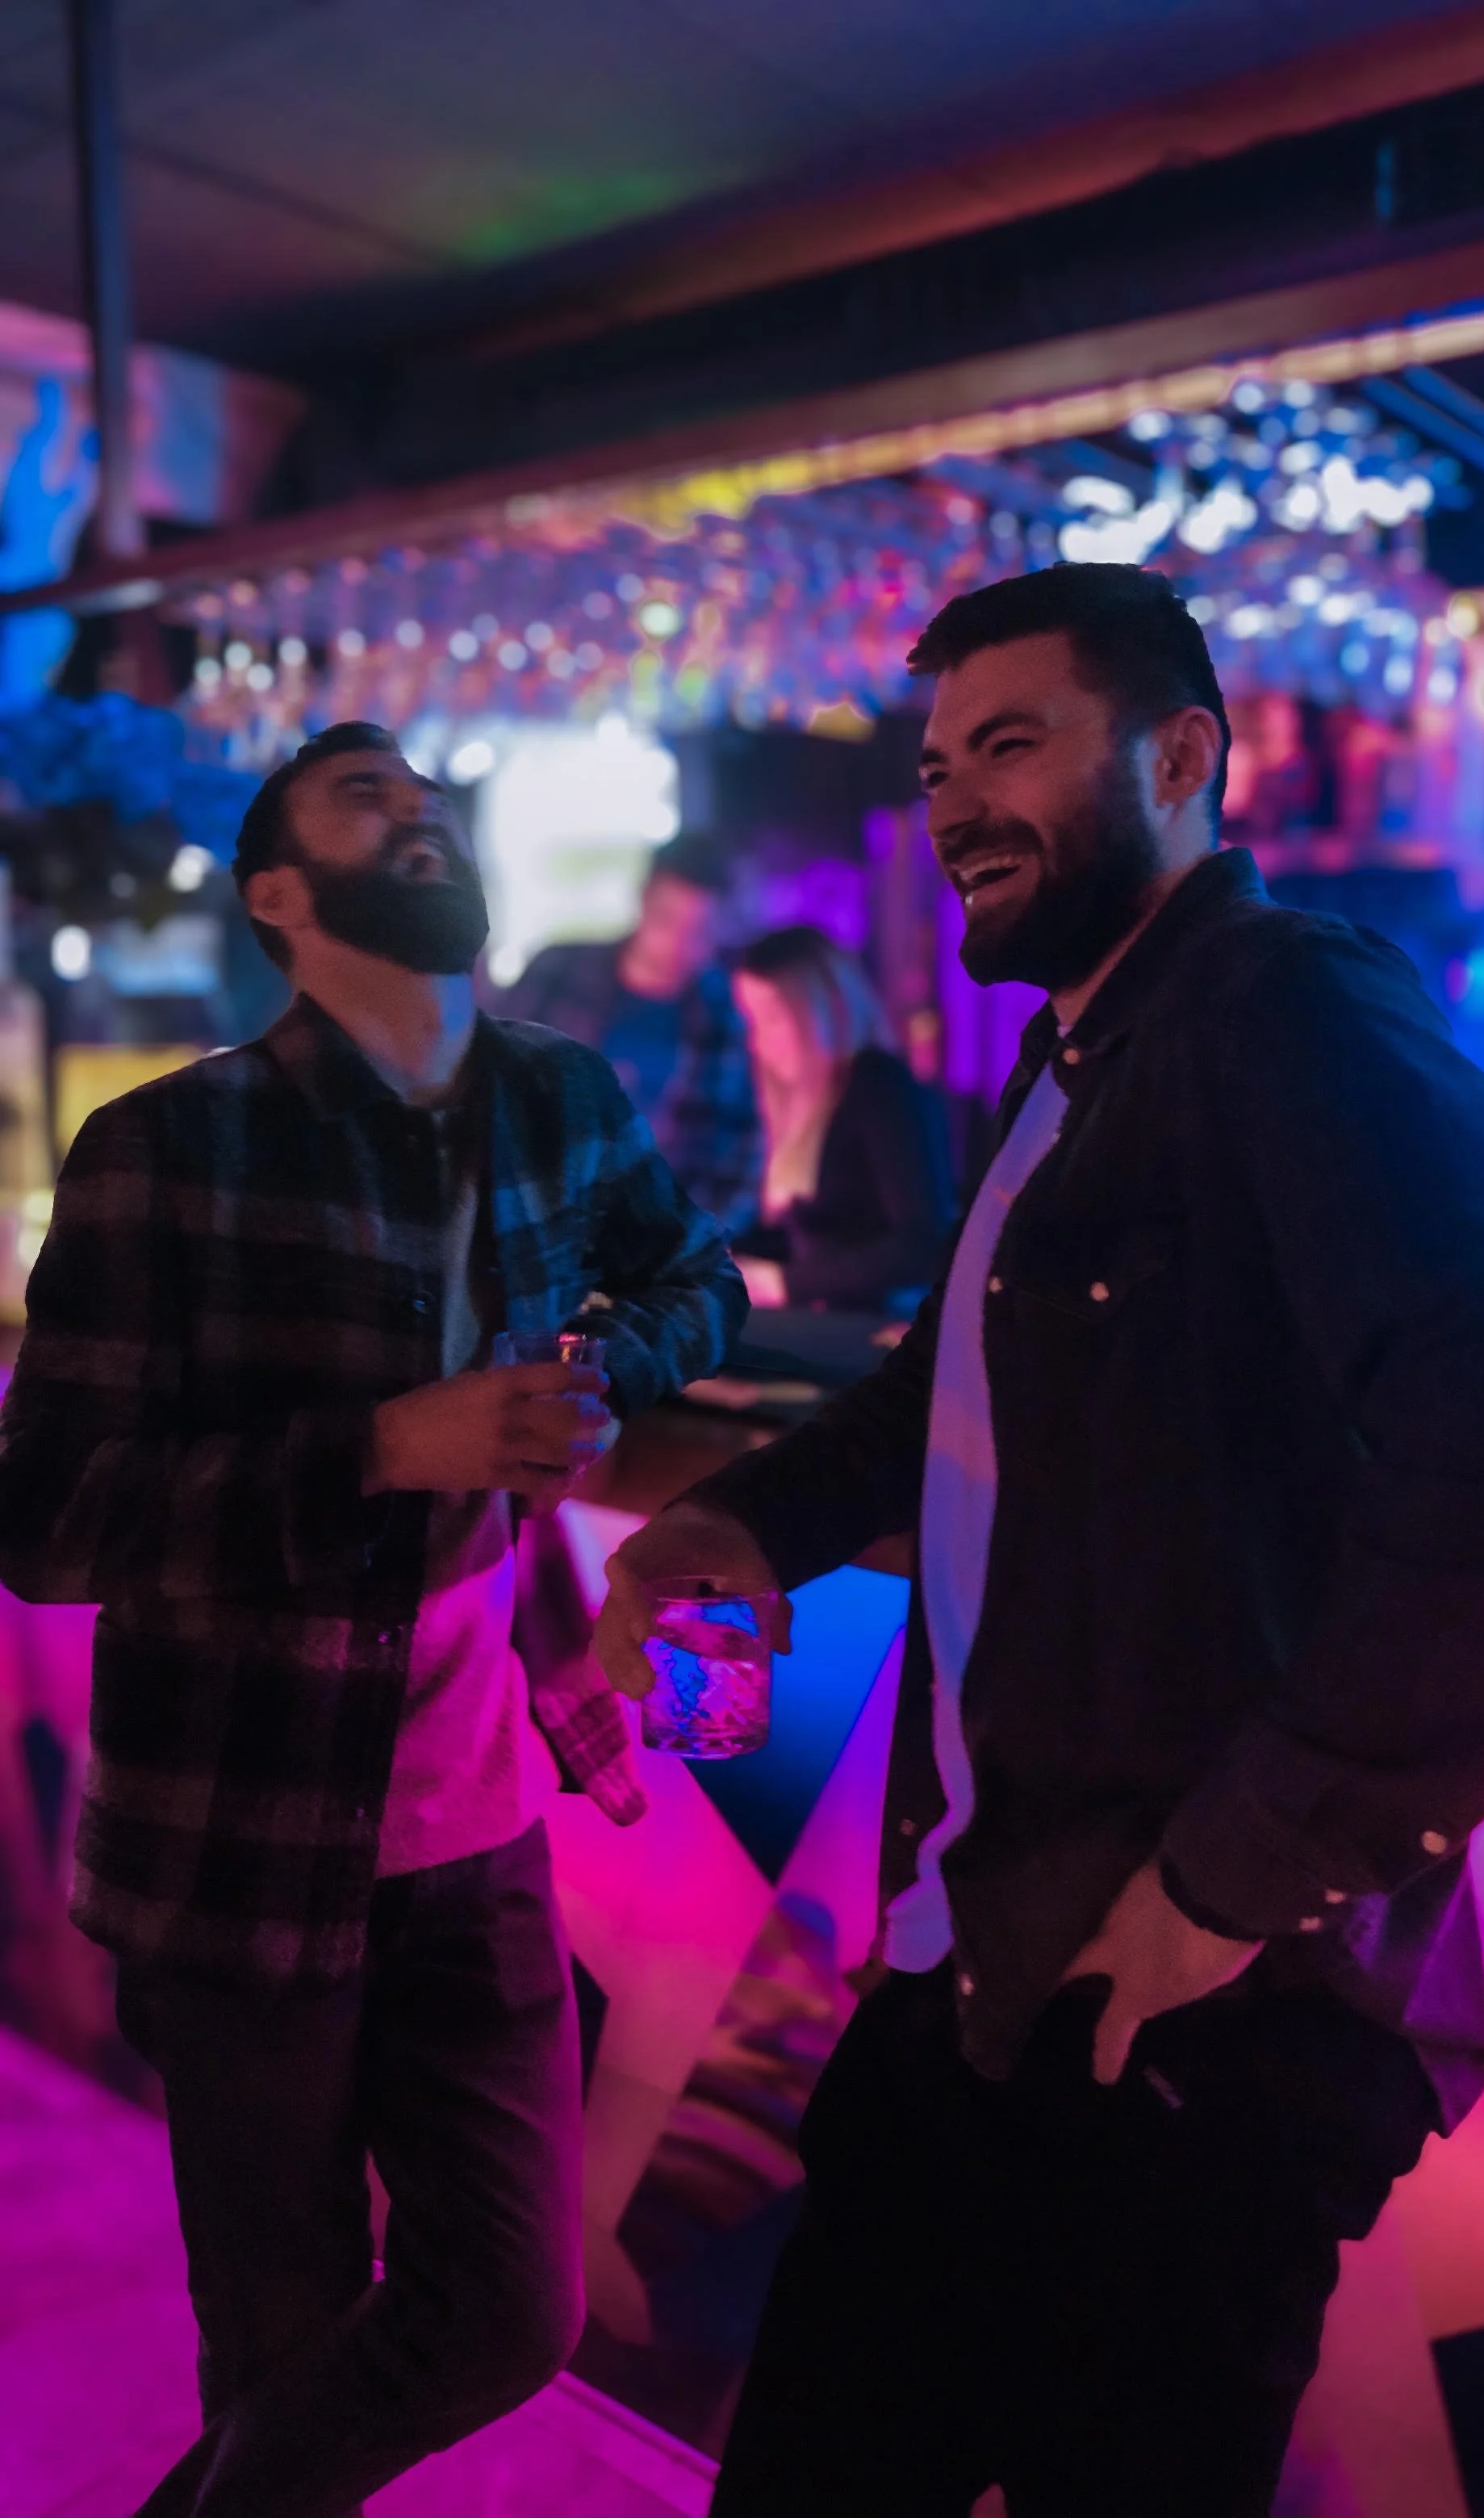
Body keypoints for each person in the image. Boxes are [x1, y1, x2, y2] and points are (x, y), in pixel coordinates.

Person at [593, 567, 1484, 2516]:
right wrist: (736, 1519)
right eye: (936, 767)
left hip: (1186, 2029)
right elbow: (948, 1394)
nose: (954, 808)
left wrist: (1229, 1880)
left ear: (1181, 757)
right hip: (979, 1972)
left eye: (1012, 744)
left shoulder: (1280, 1005)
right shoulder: (1077, 1047)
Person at [0, 721, 746, 2518]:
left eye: (422, 792)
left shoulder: (561, 1099)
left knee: (512, 2303)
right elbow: (47, 1522)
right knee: (281, 2329)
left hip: (476, 1826)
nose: (412, 808)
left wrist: (598, 1365)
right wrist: (375, 1451)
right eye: (361, 798)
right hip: (237, 1841)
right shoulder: (164, 1150)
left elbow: (694, 1278)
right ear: (280, 895)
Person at [500, 831, 761, 1236]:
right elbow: (490, 1082)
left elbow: (743, 1153)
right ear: (642, 900)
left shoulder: (726, 1019)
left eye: (700, 931)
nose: (678, 944)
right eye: (667, 920)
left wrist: (702, 1243)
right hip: (542, 1222)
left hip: (656, 1240)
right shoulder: (559, 973)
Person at [730, 924, 953, 1314]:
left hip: (880, 1329)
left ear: (822, 1011)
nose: (757, 1041)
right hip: (828, 1321)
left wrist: (785, 1282)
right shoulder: (805, 1099)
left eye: (772, 1018)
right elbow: (806, 1233)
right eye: (751, 1020)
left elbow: (921, 1244)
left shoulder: (879, 1083)